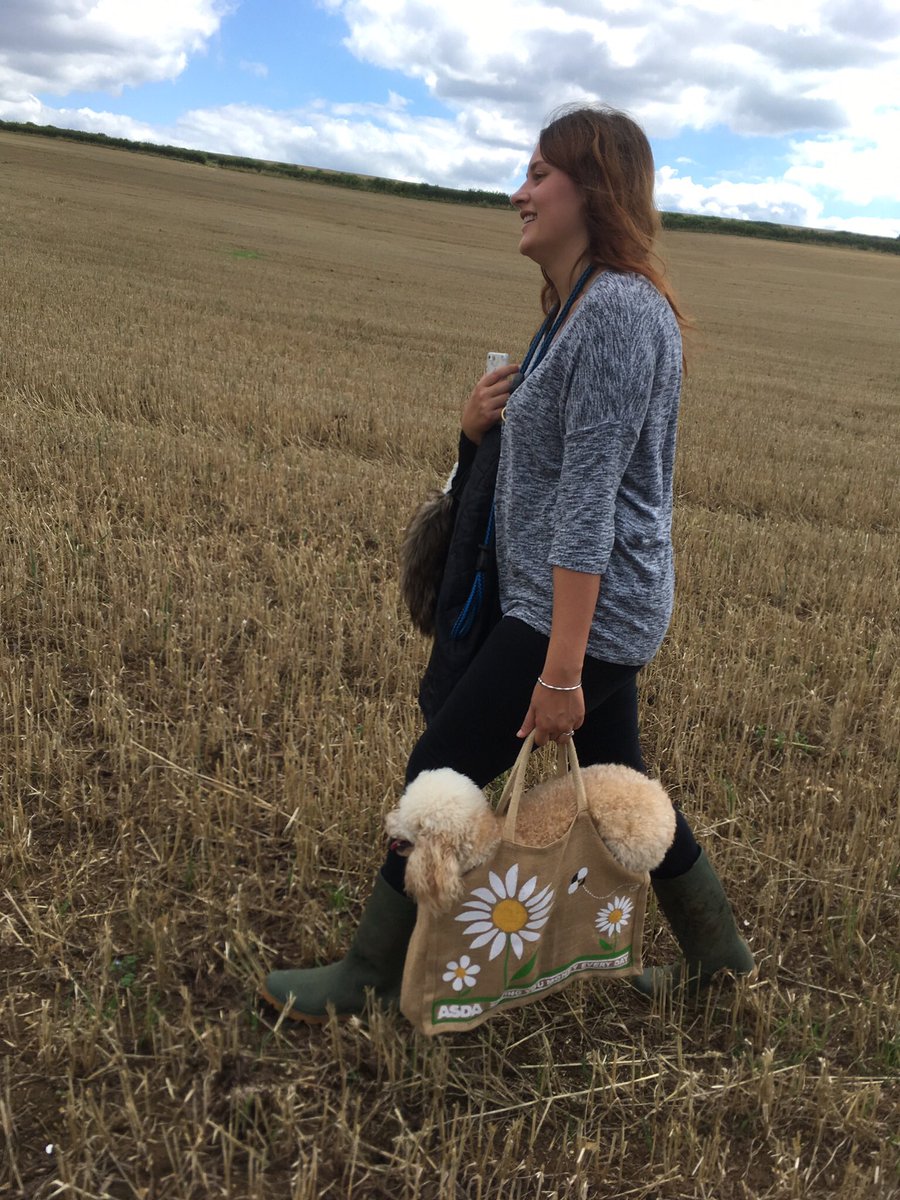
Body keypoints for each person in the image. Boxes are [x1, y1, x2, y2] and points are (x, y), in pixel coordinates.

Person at [260, 104, 754, 1023]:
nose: (518, 194)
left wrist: (561, 670)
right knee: (621, 776)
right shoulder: (572, 310)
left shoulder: (616, 312)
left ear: (592, 189)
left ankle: (369, 973)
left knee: (443, 763)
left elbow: (588, 504)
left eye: (537, 175)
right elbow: (548, 469)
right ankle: (718, 955)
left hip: (584, 612)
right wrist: (474, 427)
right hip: (570, 602)